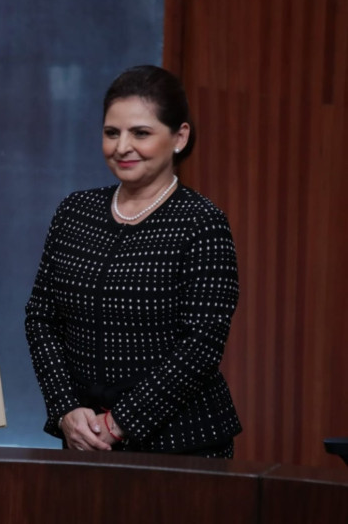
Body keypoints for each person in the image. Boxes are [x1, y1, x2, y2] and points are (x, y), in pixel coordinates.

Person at [25, 65, 242, 458]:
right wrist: (65, 410)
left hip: (182, 447)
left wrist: (120, 422)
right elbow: (42, 318)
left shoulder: (202, 222)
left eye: (140, 133)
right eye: (112, 133)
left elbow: (202, 345)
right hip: (83, 443)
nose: (122, 146)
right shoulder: (75, 212)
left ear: (179, 137)